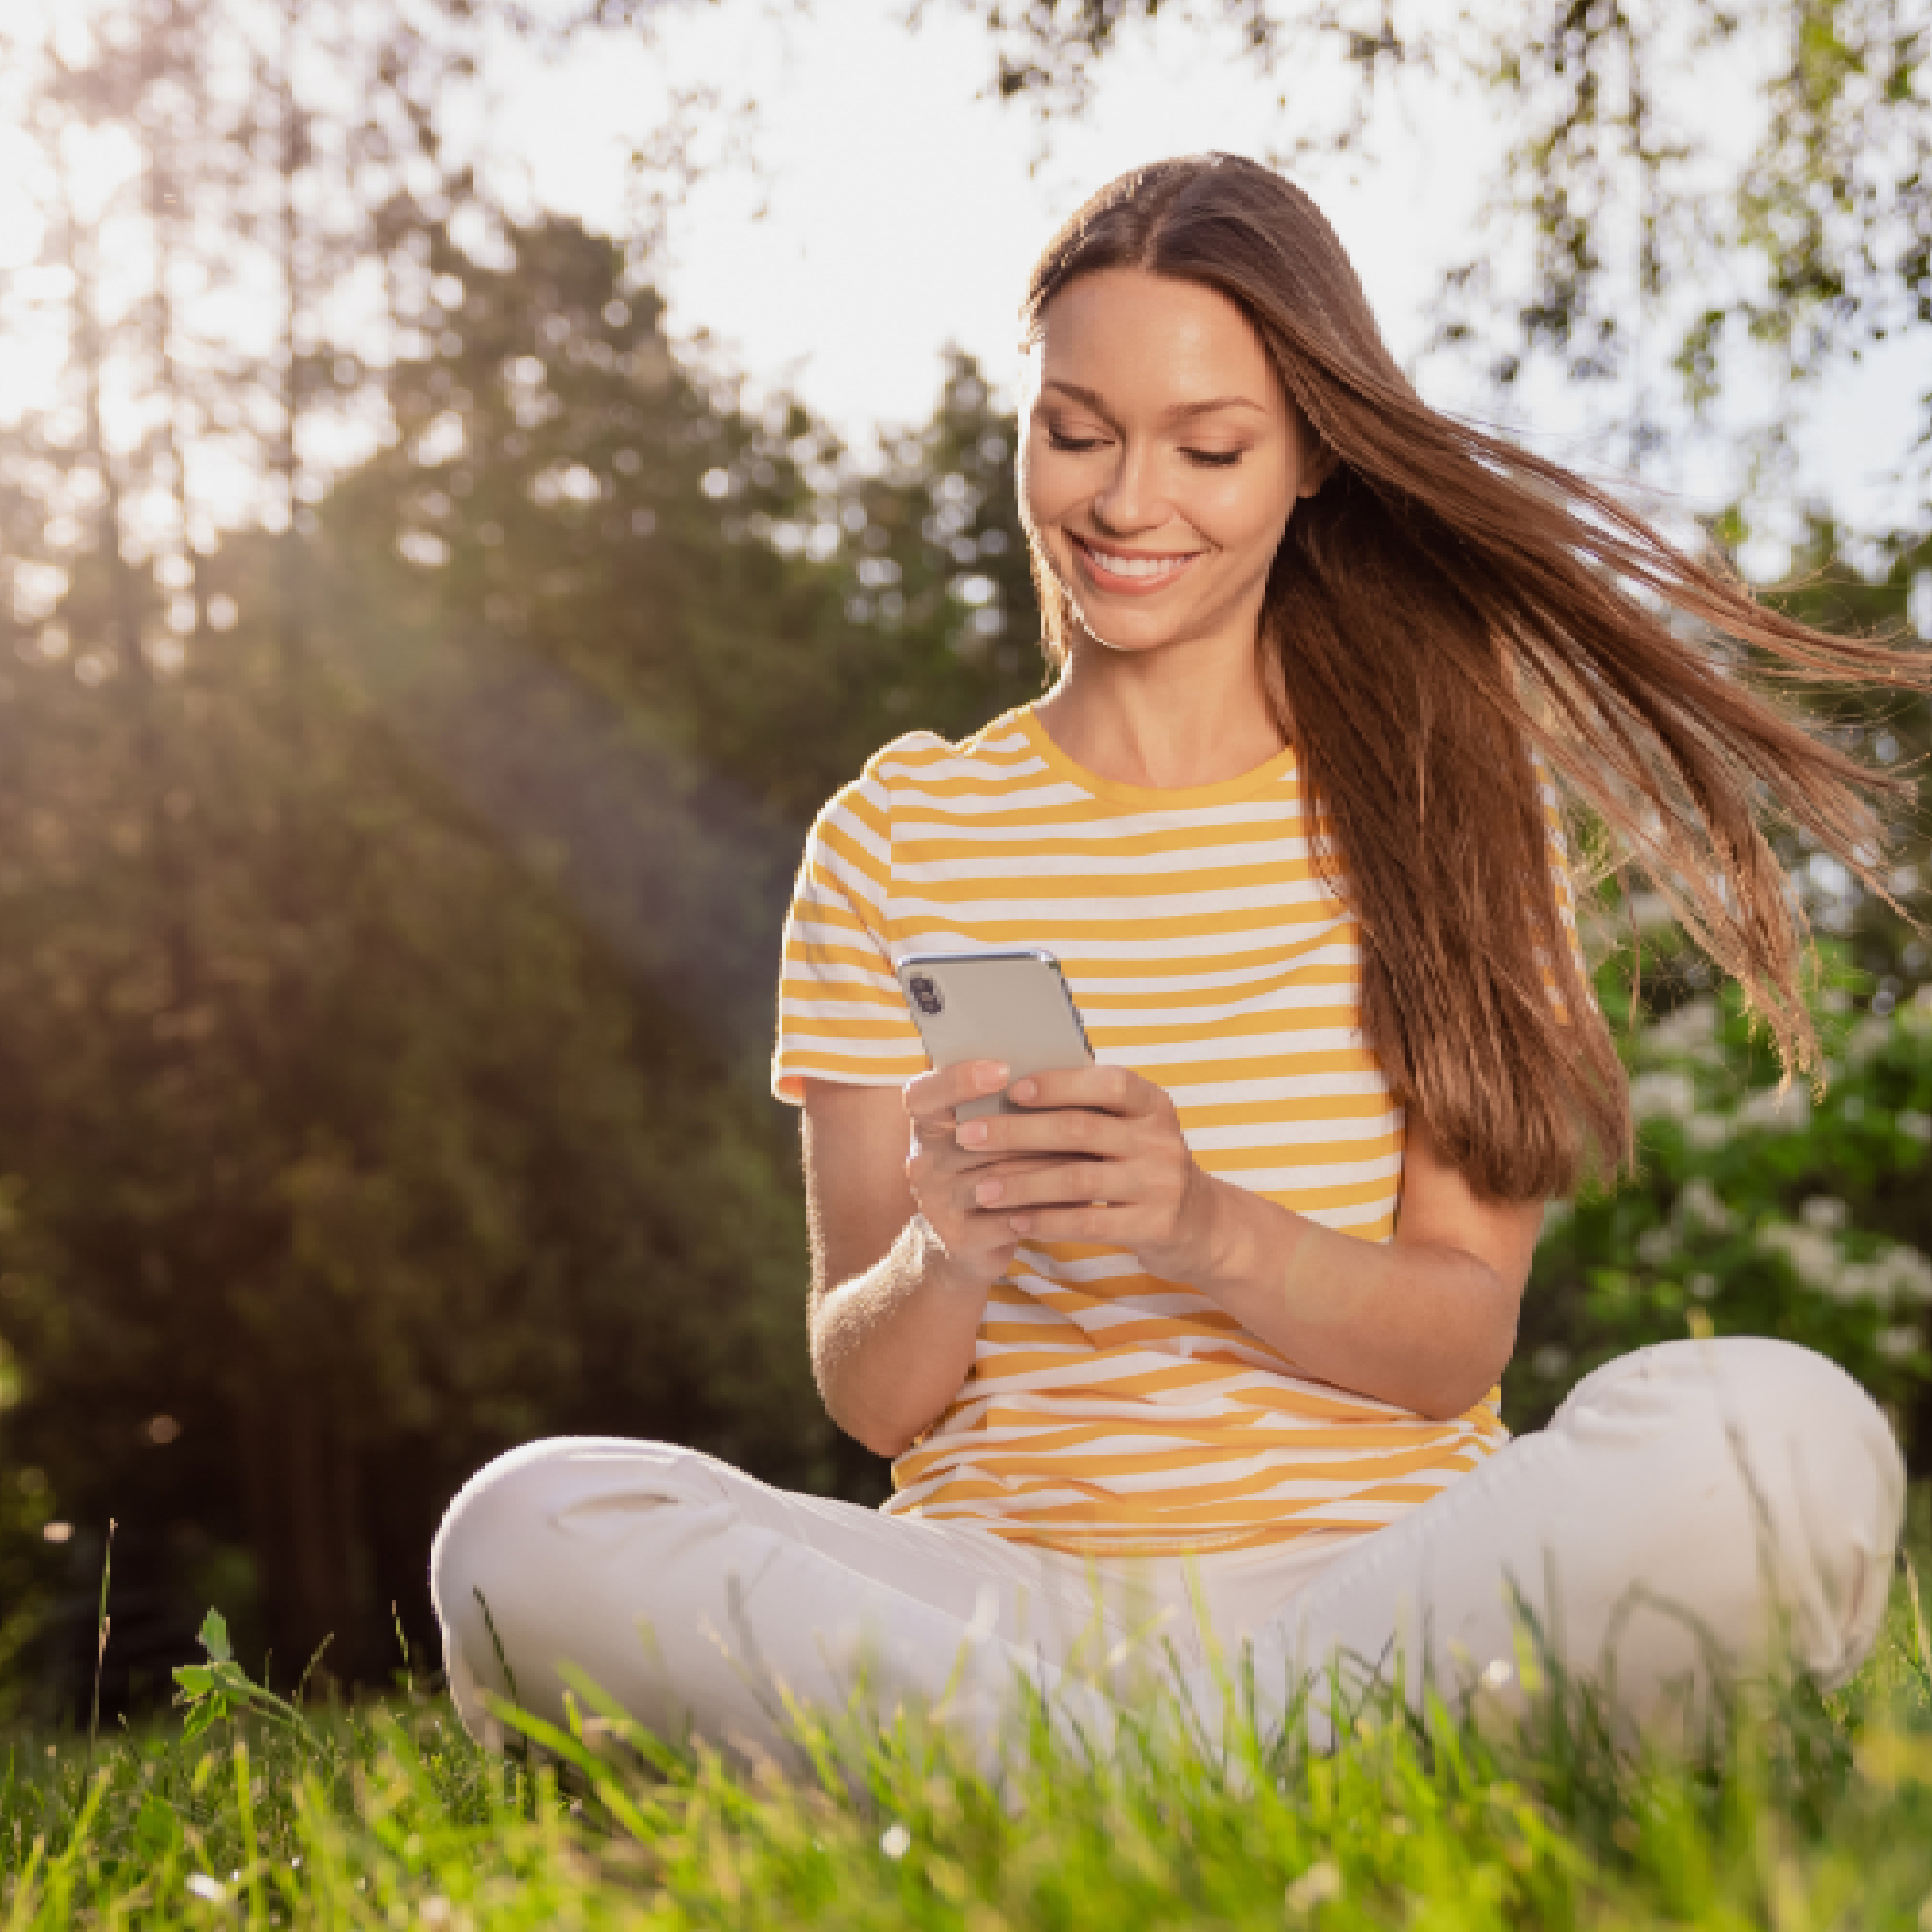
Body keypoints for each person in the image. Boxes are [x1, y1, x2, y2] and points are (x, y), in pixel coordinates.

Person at [432, 154, 1913, 1769]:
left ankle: (1093, 1769)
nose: (1129, 504)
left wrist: (1197, 1222)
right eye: (1077, 432)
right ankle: (1225, 1762)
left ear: (1309, 466)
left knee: (1786, 1437)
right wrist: (953, 1248)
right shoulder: (896, 830)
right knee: (527, 1529)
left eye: (1209, 448)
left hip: (1380, 1583)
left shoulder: (1450, 806)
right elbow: (870, 1395)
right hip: (985, 1603)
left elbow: (1455, 1344)